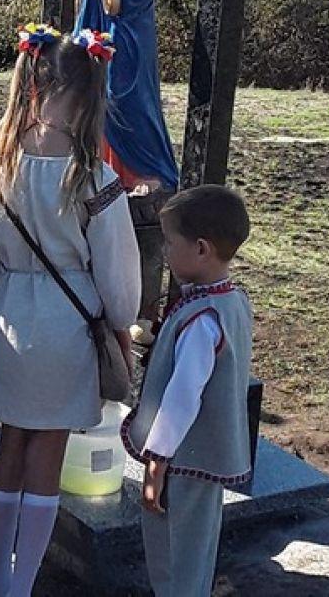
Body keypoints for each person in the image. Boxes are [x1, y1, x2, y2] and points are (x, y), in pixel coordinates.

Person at [0, 25, 141, 597]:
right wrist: (120, 318)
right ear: (88, 94)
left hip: (12, 316)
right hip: (70, 324)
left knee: (11, 444)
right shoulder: (94, 176)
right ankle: (23, 582)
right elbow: (118, 277)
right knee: (49, 452)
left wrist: (4, 285)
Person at [121, 185, 252, 597]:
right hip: (203, 459)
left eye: (170, 242)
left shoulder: (202, 319)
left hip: (182, 460)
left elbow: (183, 396)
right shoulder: (232, 301)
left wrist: (157, 460)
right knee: (196, 549)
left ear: (200, 249)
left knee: (173, 552)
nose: (165, 251)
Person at [74, 0, 179, 345]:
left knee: (125, 99)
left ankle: (145, 169)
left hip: (126, 31)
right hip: (98, 18)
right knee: (93, 98)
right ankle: (106, 164)